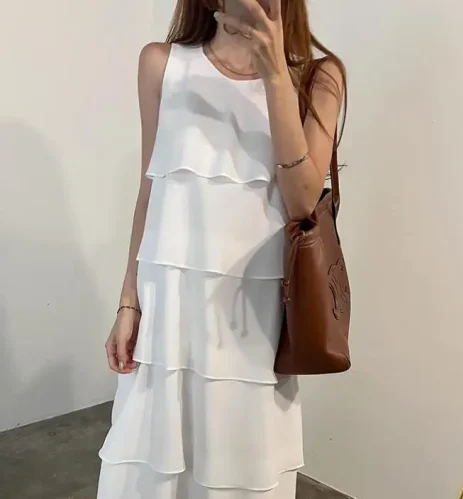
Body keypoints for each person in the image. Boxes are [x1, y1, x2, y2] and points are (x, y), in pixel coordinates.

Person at [97, 0, 345, 497]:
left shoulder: (320, 77)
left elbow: (302, 201)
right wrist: (128, 302)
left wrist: (275, 75)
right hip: (169, 309)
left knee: (238, 464)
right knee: (152, 462)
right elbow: (150, 190)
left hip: (252, 321)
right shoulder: (161, 64)